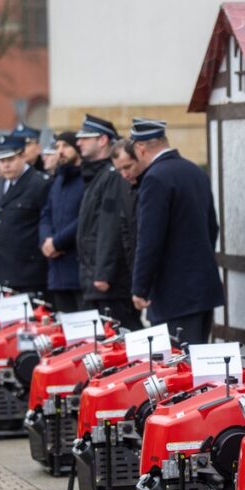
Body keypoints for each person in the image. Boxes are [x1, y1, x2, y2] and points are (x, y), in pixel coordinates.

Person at [130, 118, 223, 344]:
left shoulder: (154, 178)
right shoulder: (194, 171)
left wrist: (140, 288)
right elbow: (212, 226)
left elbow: (150, 239)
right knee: (198, 362)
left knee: (178, 367)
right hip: (202, 288)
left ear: (140, 148)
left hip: (173, 294)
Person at [75, 117, 142, 331]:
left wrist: (103, 273)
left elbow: (111, 227)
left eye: (85, 138)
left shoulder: (113, 176)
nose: (79, 143)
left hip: (110, 282)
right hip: (96, 277)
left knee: (124, 332)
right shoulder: (99, 175)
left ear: (103, 140)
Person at [0, 134, 51, 293]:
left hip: (28, 272)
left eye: (11, 160)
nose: (6, 166)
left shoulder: (40, 183)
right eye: (2, 161)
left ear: (23, 156)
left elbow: (47, 222)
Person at [39, 131, 84, 312]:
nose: (60, 151)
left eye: (65, 146)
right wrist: (45, 241)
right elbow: (46, 214)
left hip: (78, 271)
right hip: (57, 271)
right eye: (57, 147)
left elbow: (85, 219)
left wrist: (57, 242)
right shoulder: (58, 180)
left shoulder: (86, 179)